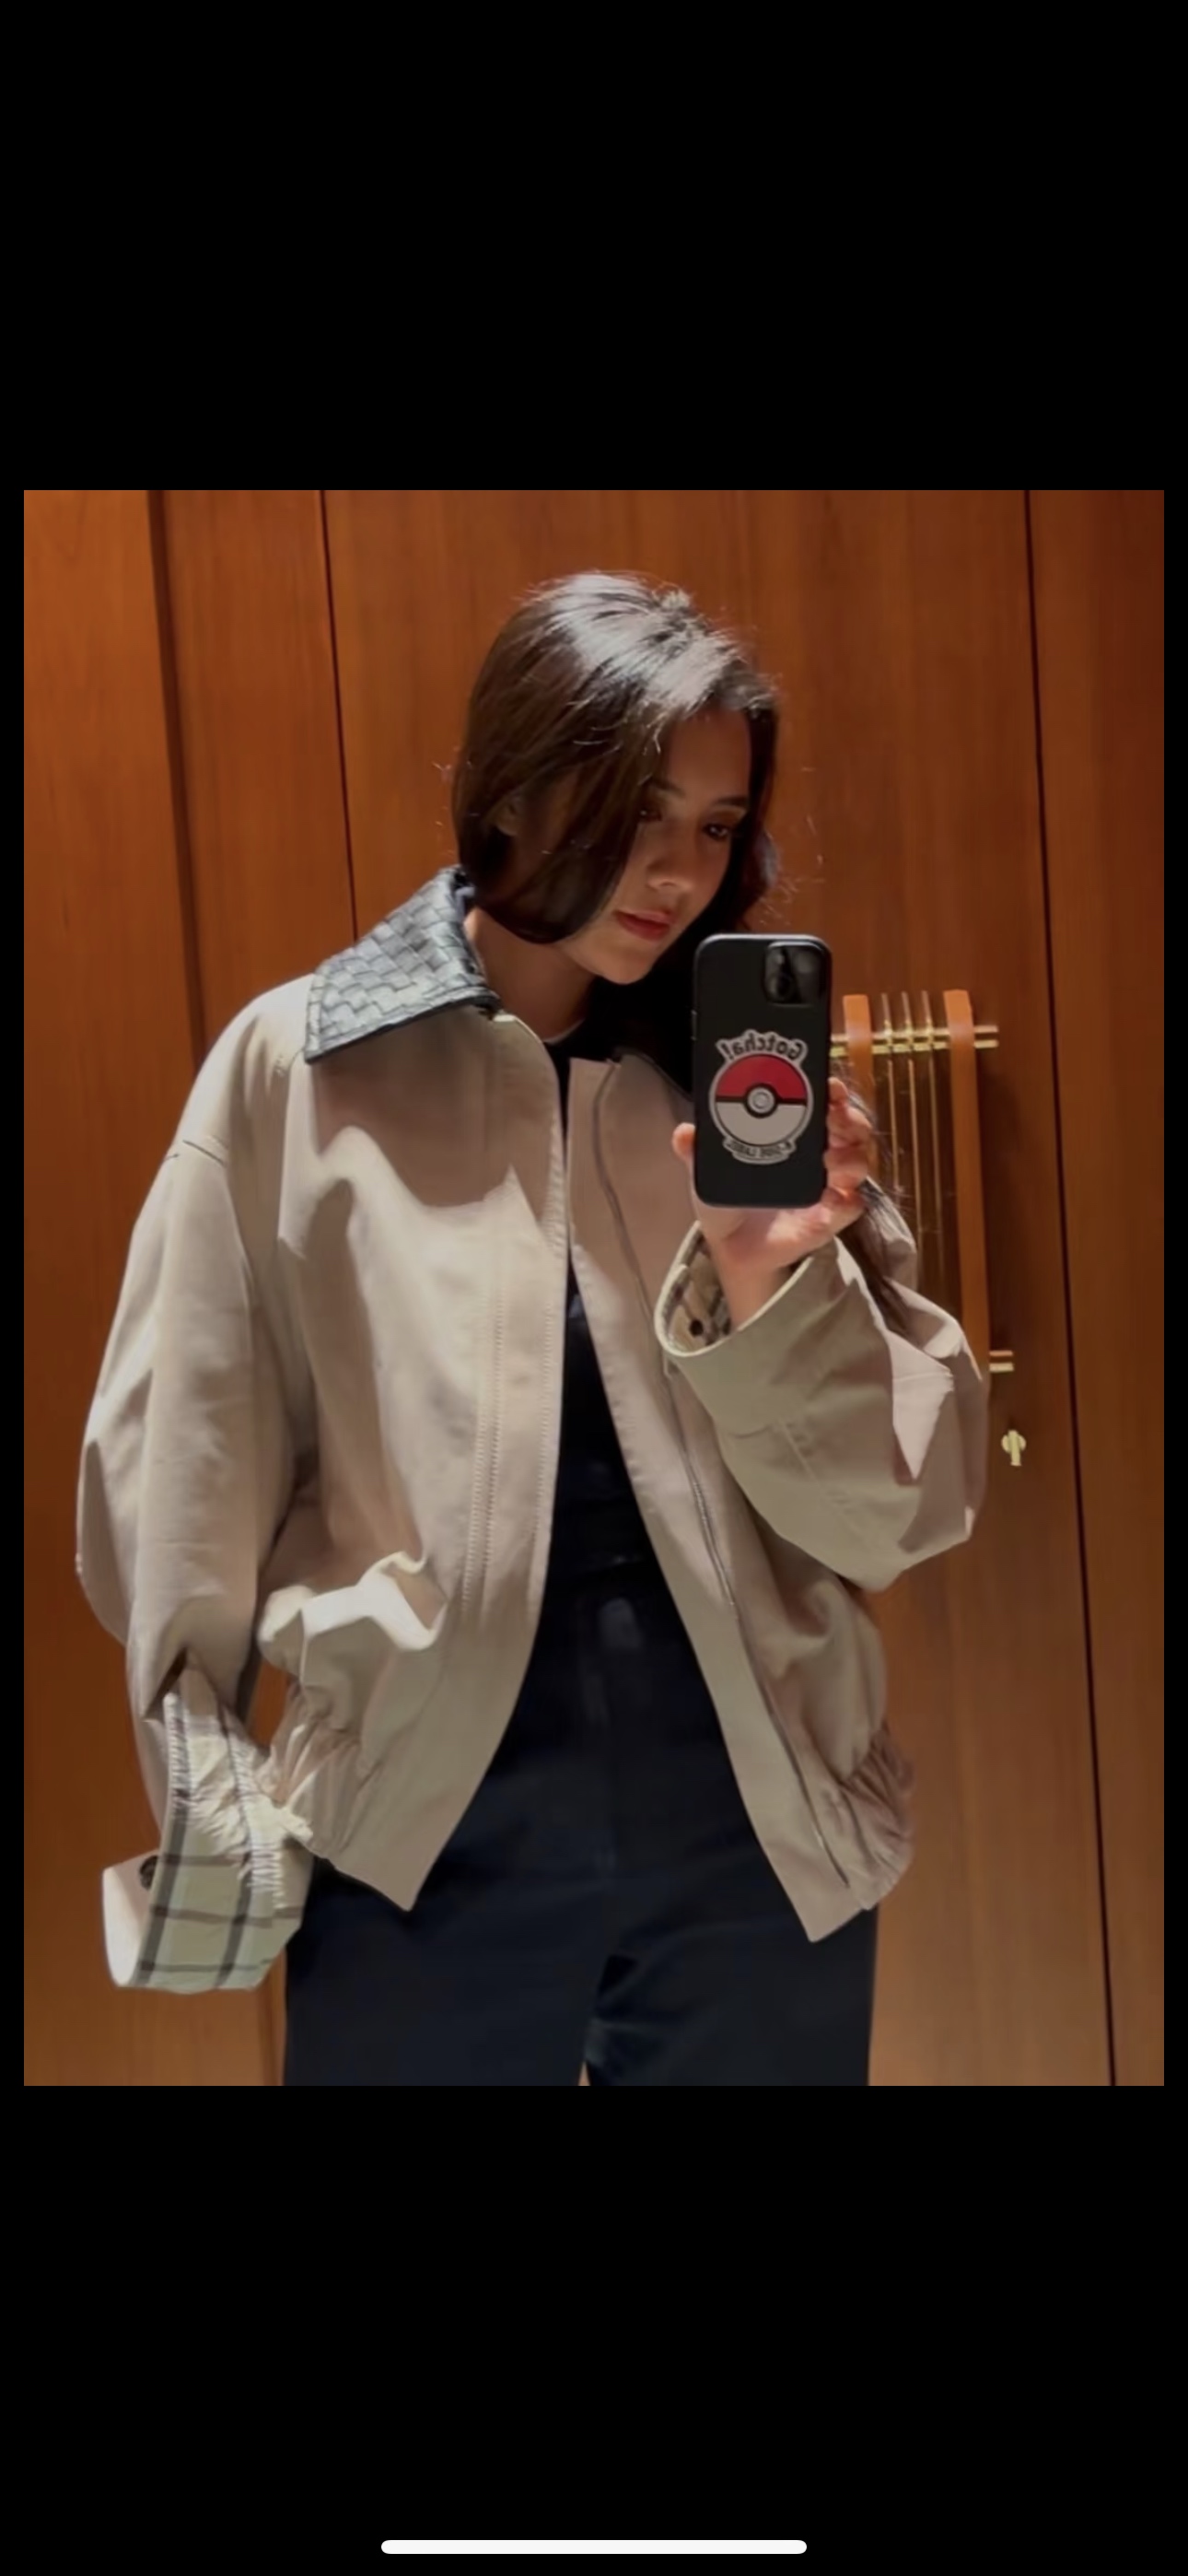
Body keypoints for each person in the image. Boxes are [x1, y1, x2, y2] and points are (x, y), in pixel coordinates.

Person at [76, 571, 987, 2087]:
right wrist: (203, 1767)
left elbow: (894, 1515)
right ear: (509, 785)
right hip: (420, 1832)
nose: (677, 871)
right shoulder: (301, 1070)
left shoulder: (733, 1085)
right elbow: (185, 1464)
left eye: (716, 824)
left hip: (756, 1825)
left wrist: (768, 1285)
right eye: (636, 808)